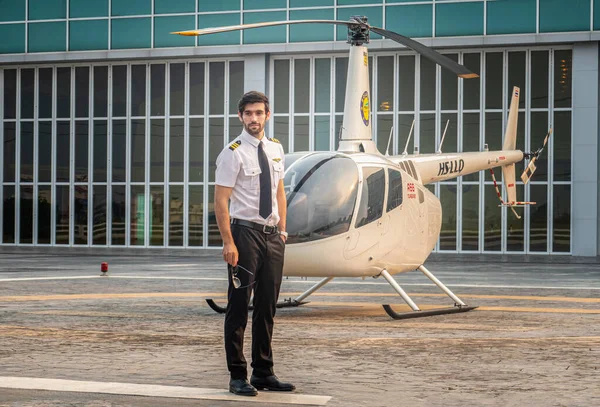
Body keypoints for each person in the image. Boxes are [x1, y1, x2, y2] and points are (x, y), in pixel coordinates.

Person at [214, 91, 295, 396]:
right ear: (240, 117)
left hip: (272, 236)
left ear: (267, 115)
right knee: (238, 307)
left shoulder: (275, 148)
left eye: (259, 113)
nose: (253, 118)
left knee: (266, 307)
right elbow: (221, 202)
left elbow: (279, 192)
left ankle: (264, 372)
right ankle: (237, 375)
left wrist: (283, 230)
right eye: (248, 113)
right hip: (244, 235)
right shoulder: (232, 153)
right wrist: (228, 242)